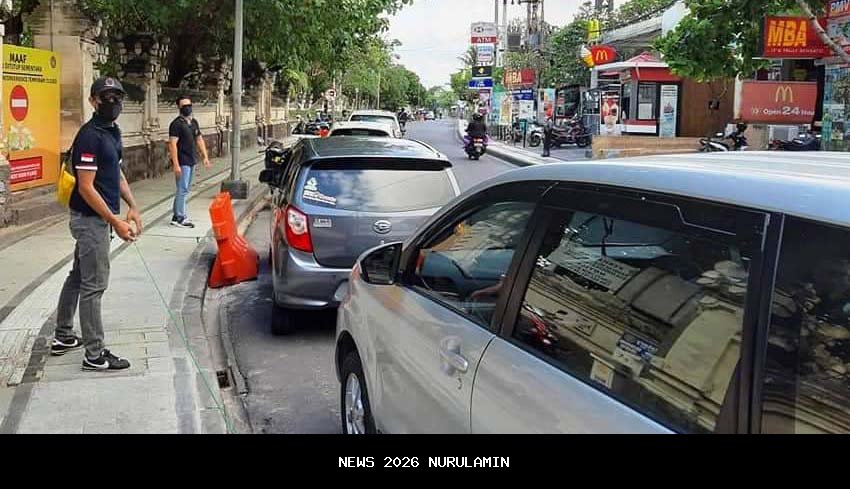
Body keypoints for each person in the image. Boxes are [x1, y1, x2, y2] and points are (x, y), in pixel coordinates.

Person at [52, 76, 141, 371]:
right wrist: (114, 221)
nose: (113, 102)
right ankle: (94, 354)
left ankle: (64, 335)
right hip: (90, 221)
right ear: (93, 101)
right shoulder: (89, 136)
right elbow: (86, 187)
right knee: (94, 285)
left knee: (79, 276)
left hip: (99, 219)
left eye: (117, 96)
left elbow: (116, 173)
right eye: (106, 97)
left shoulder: (112, 132)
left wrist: (133, 205)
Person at [168, 95, 211, 228]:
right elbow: (172, 144)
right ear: (179, 108)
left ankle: (176, 215)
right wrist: (176, 164)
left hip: (192, 159)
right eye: (185, 106)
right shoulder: (176, 124)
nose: (188, 108)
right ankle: (180, 217)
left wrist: (205, 156)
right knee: (183, 189)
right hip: (182, 160)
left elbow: (199, 139)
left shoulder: (193, 123)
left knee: (184, 188)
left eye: (189, 105)